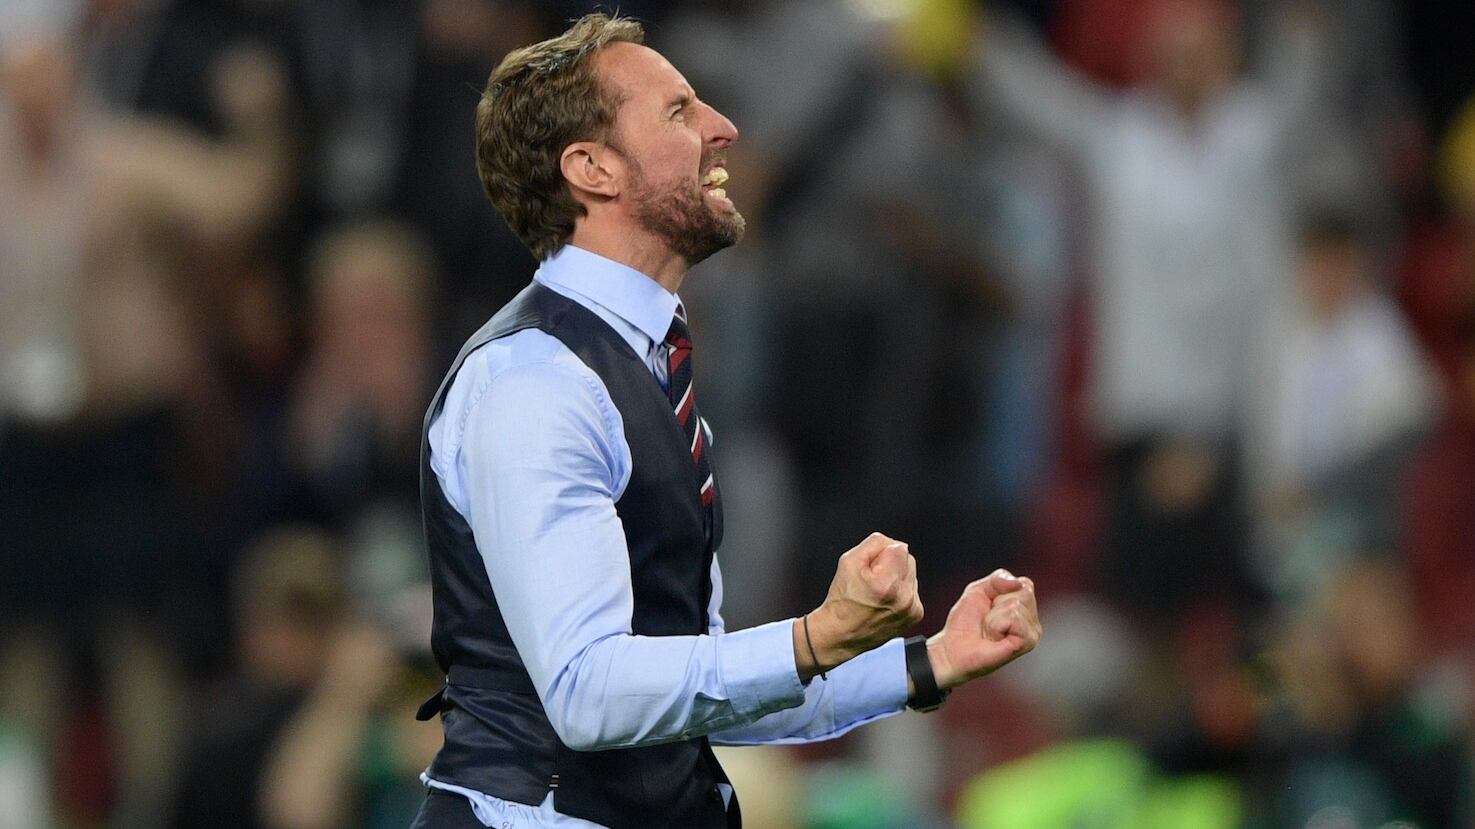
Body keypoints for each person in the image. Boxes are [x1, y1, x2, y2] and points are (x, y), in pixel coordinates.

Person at [410, 14, 1042, 829]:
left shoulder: (640, 369)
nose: (724, 128)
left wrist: (929, 661)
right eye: (678, 111)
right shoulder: (536, 382)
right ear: (592, 168)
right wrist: (815, 636)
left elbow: (698, 692)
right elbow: (585, 693)